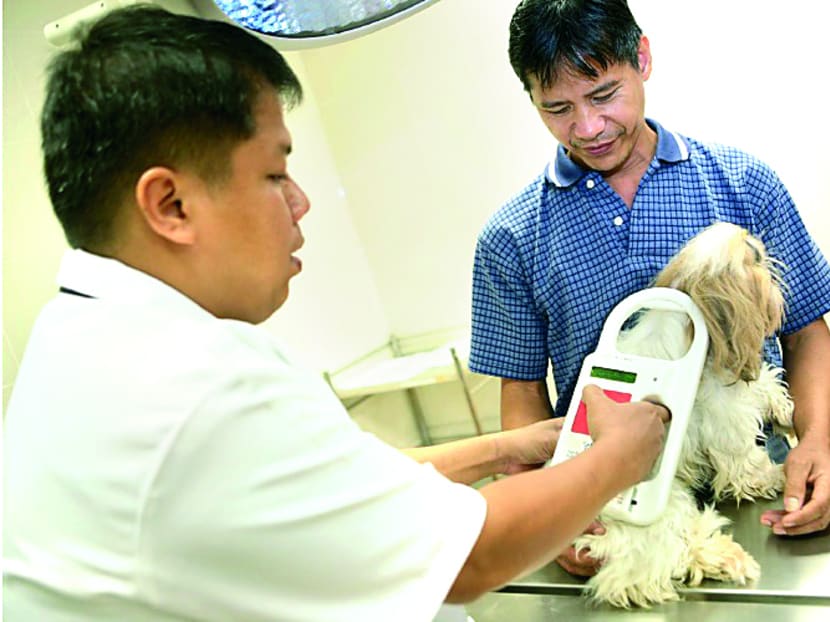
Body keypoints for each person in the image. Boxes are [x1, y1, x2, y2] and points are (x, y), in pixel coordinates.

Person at [2, 6, 672, 621]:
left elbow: (346, 482)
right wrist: (624, 452)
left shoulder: (87, 338)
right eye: (273, 174)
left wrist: (507, 447)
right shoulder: (196, 387)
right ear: (171, 206)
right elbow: (474, 557)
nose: (300, 202)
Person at [469, 0, 830, 573]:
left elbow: (807, 330)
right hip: (612, 503)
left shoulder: (743, 185)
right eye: (557, 108)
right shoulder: (511, 239)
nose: (587, 128)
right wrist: (550, 508)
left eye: (604, 95)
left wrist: (819, 443)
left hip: (760, 479)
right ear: (530, 98)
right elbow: (521, 391)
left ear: (642, 56)